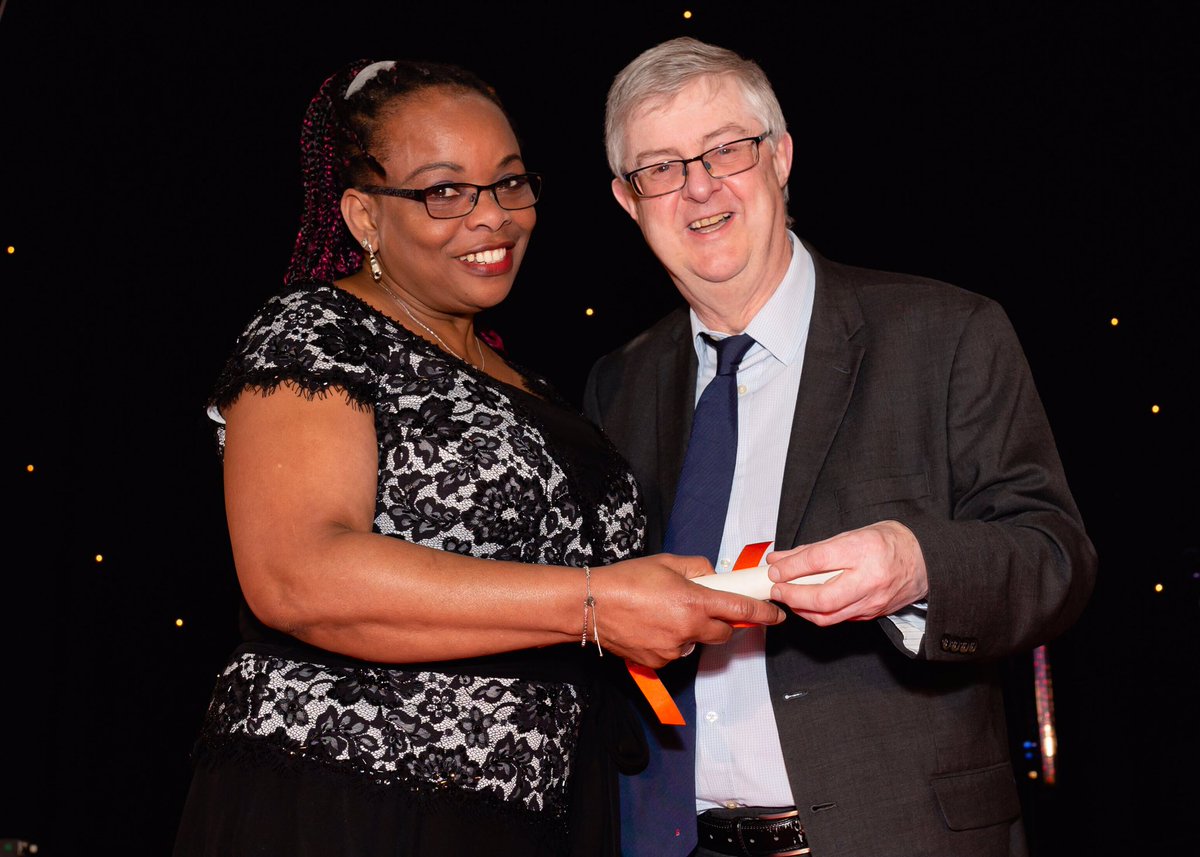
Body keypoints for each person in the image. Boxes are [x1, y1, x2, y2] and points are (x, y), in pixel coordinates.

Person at [172, 57, 785, 857]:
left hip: (527, 816)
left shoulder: (537, 382)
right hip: (353, 801)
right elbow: (297, 575)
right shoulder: (317, 331)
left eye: (508, 183)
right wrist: (595, 602)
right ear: (362, 215)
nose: (491, 217)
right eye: (442, 191)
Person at [584, 36, 1098, 857]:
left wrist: (917, 563)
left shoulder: (946, 332)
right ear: (626, 198)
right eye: (661, 167)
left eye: (726, 150)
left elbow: (1055, 559)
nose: (699, 187)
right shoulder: (617, 384)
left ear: (781, 157)